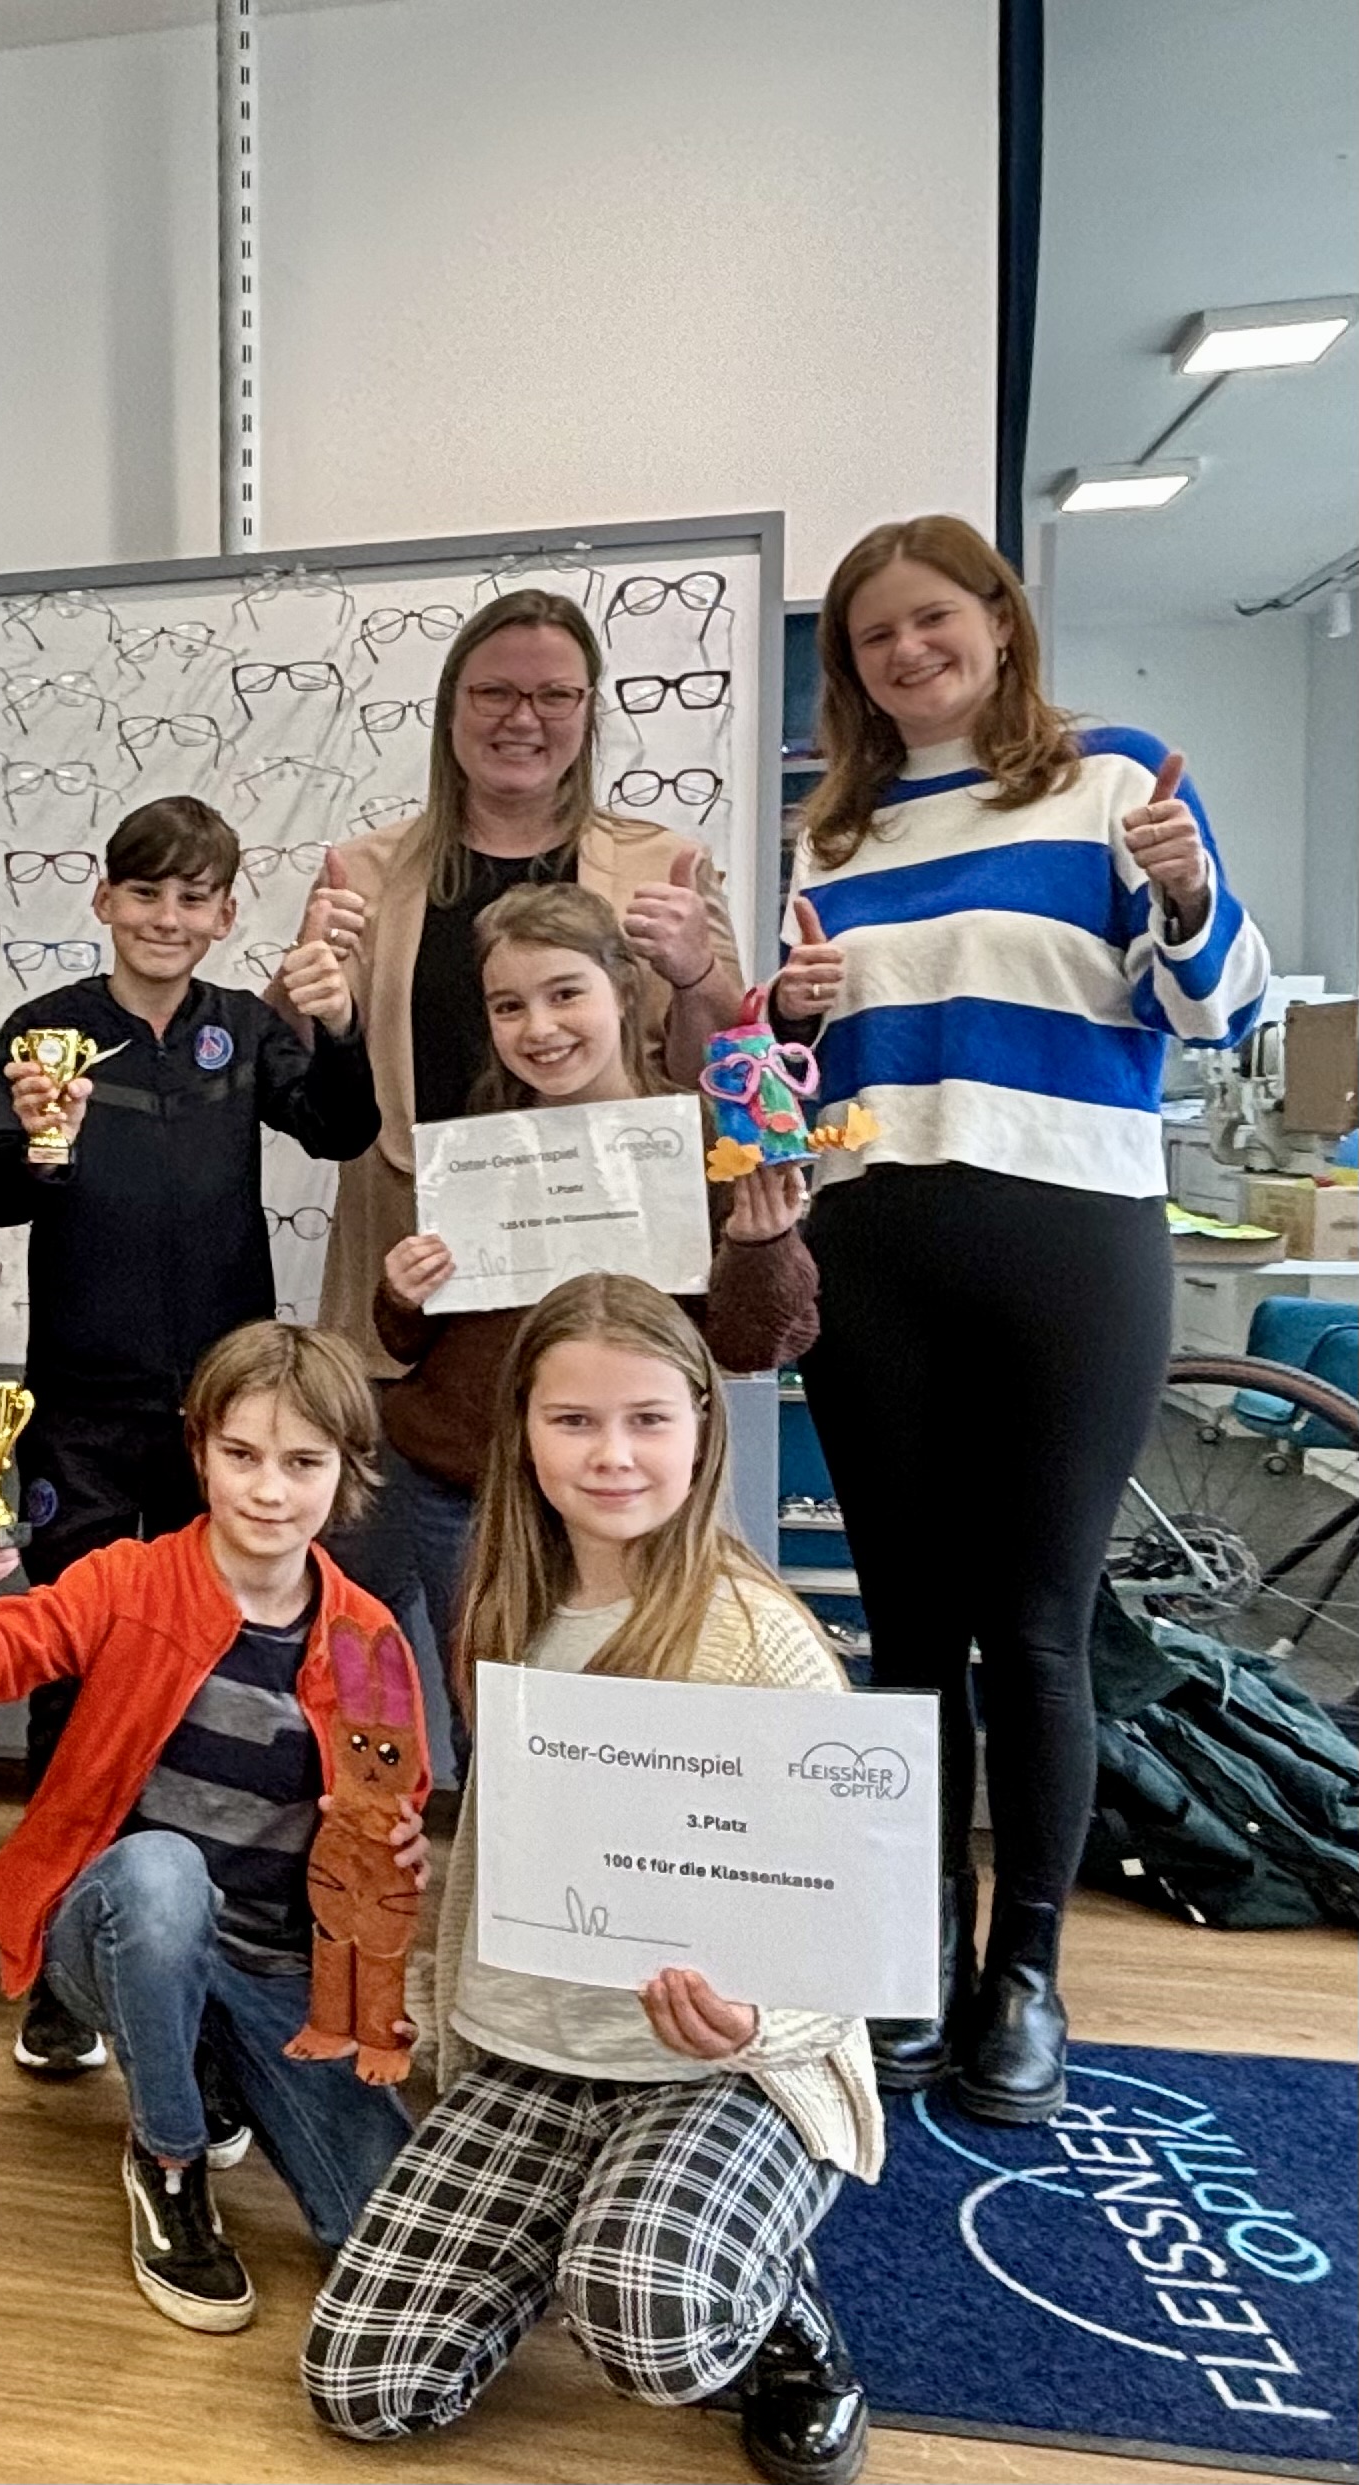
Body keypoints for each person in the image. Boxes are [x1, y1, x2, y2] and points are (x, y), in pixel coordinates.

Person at [771, 514, 1269, 2122]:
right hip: (874, 1241)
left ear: (997, 620)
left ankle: (1029, 1972)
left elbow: (1217, 1009)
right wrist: (785, 1019)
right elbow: (801, 1068)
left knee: (1037, 1627)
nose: (904, 655)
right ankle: (912, 1949)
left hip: (1068, 1230)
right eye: (871, 640)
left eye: (931, 621)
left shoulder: (1113, 779)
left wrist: (1189, 902)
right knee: (907, 1632)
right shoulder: (831, 834)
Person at [305, 1275, 877, 2485]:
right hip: (533, 2047)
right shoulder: (501, 1608)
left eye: (646, 1419)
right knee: (361, 2383)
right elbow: (520, 1854)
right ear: (521, 1430)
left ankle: (787, 2324)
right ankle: (586, 2217)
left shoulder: (761, 1641)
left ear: (702, 1430)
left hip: (718, 2065)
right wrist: (416, 1947)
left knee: (655, 2329)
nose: (611, 1455)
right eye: (572, 1420)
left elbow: (848, 1938)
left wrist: (757, 2021)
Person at [269, 589, 745, 1772]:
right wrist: (313, 1029)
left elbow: (720, 1085)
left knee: (580, 1664)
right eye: (494, 691)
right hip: (413, 1323)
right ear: (449, 710)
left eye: (553, 694)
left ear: (589, 712)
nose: (521, 718)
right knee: (373, 1656)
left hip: (601, 1325)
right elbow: (330, 1118)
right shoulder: (363, 873)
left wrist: (694, 980)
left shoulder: (663, 867)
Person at [0, 1321, 423, 2335]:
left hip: (274, 1965)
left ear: (345, 1473)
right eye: (242, 1456)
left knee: (391, 2239)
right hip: (115, 1927)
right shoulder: (128, 1579)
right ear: (199, 1452)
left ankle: (211, 2053)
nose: (269, 1490)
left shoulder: (366, 1636)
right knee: (160, 1876)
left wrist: (392, 1845)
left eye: (301, 1462)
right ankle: (169, 2153)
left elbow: (388, 1810)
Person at [0, 794, 378, 2082]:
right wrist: (45, 1142)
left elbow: (343, 1129)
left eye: (194, 898)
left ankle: (205, 1937)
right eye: (144, 894)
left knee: (216, 1673)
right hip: (81, 1406)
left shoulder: (248, 1030)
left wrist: (344, 1020)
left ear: (224, 913)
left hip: (222, 1411)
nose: (167, 918)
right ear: (103, 901)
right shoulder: (46, 1031)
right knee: (72, 1664)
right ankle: (52, 1956)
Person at [362, 884, 819, 1692]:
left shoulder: (701, 1138)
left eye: (564, 993)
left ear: (623, 989)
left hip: (615, 1497)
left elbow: (754, 1344)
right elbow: (421, 1342)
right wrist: (401, 1294)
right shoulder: (479, 1144)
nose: (537, 1028)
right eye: (507, 1006)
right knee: (490, 1723)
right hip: (461, 1486)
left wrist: (759, 1246)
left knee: (626, 1713)